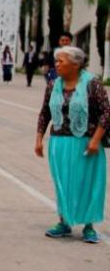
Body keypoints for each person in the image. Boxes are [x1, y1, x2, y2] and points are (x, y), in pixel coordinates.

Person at [35, 46, 107, 243]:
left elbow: (106, 113)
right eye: (56, 61)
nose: (57, 64)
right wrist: (39, 139)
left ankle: (89, 226)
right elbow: (45, 113)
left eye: (61, 61)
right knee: (63, 184)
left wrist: (95, 140)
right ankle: (64, 222)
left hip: (86, 144)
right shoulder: (53, 85)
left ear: (76, 64)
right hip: (59, 143)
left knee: (87, 184)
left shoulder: (92, 83)